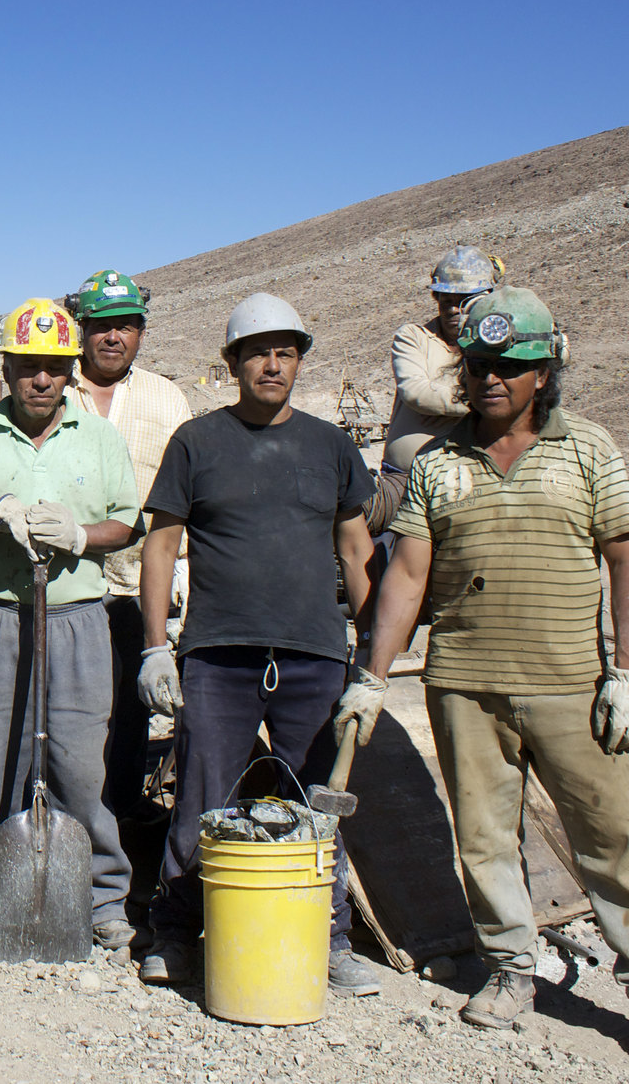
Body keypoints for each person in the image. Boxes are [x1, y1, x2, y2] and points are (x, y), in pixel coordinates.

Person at [337, 287, 629, 1079]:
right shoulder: (435, 463)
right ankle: (509, 967)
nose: (491, 378)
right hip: (464, 684)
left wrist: (628, 673)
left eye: (511, 365)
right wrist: (371, 675)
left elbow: (626, 562)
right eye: (477, 364)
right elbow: (405, 578)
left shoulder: (589, 449)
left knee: (609, 839)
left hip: (572, 682)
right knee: (483, 837)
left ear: (545, 371)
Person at [135, 292, 379, 994]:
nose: (272, 365)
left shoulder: (329, 445)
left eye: (285, 352)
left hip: (313, 654)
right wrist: (157, 646)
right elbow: (161, 545)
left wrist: (372, 661)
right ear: (233, 362)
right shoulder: (197, 441)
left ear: (298, 360)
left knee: (315, 799)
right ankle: (176, 932)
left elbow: (356, 548)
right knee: (202, 796)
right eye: (257, 352)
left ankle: (326, 938)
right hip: (219, 651)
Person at [0, 297, 141, 952]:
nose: (40, 379)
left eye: (53, 367)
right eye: (26, 365)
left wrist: (82, 535)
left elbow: (126, 520)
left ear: (71, 371)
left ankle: (102, 893)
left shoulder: (98, 438)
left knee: (80, 764)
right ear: (4, 367)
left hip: (79, 619)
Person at [61, 269, 191, 828]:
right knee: (65, 715)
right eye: (102, 325)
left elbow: (191, 492)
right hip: (67, 584)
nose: (115, 337)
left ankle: (120, 830)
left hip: (141, 586)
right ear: (81, 329)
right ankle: (63, 823)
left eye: (128, 326)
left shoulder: (167, 397)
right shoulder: (52, 389)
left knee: (131, 718)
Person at [369, 245, 499, 532]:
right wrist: (486, 398)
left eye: (464, 300)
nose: (453, 309)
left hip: (473, 481)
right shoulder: (414, 337)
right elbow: (417, 393)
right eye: (445, 299)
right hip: (405, 478)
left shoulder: (500, 344)